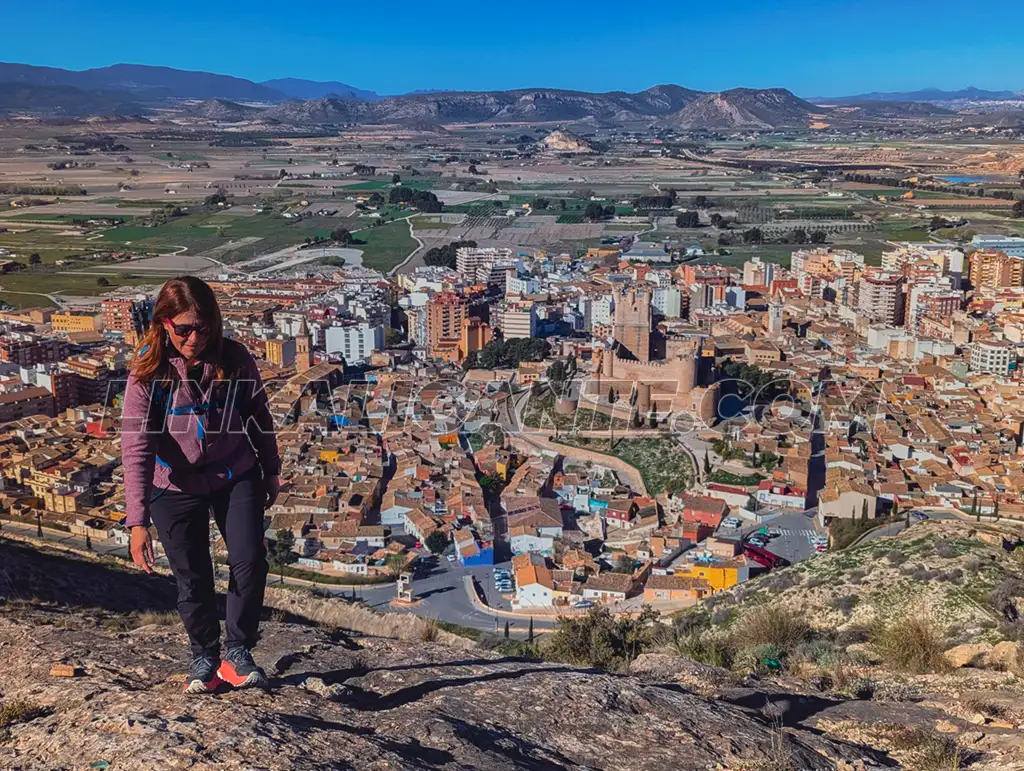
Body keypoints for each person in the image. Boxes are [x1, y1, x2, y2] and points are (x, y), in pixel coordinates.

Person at [122, 276, 282, 694]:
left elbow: (258, 416)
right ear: (163, 324)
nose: (195, 338)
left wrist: (271, 468)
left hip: (235, 470)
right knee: (192, 577)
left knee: (250, 561)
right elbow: (136, 446)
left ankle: (238, 651)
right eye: (184, 329)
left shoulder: (234, 358)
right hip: (173, 484)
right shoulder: (147, 372)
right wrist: (137, 520)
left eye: (204, 327)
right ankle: (204, 656)